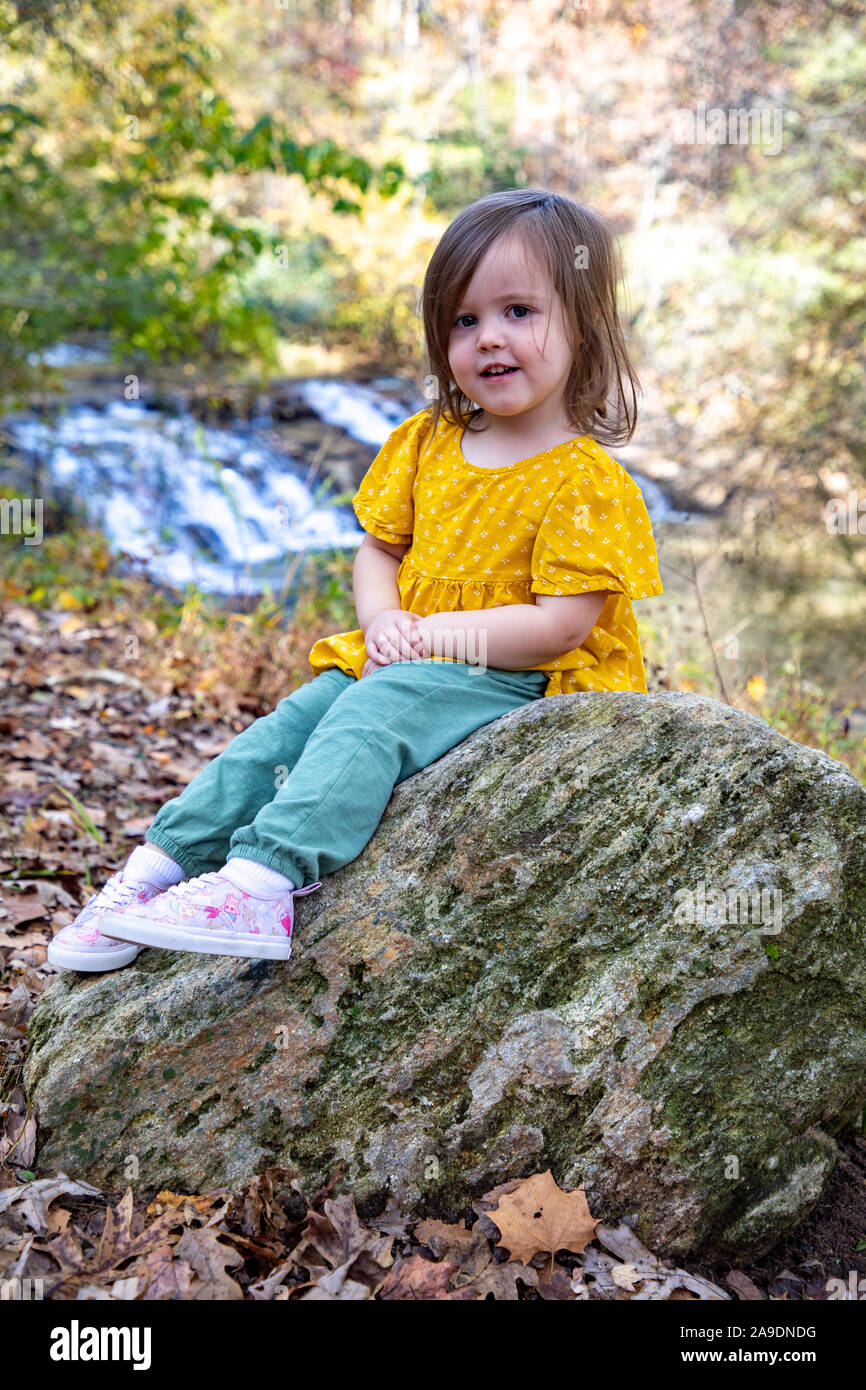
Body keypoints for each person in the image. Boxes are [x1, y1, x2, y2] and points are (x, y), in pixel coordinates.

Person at [47, 187, 663, 973]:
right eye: (465, 320)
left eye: (518, 312)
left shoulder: (587, 482)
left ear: (583, 322)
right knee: (286, 729)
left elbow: (562, 628)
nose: (488, 340)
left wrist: (429, 637)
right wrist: (381, 622)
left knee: (371, 712)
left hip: (520, 676)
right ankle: (154, 872)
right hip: (406, 654)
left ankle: (264, 881)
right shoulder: (430, 439)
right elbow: (380, 550)